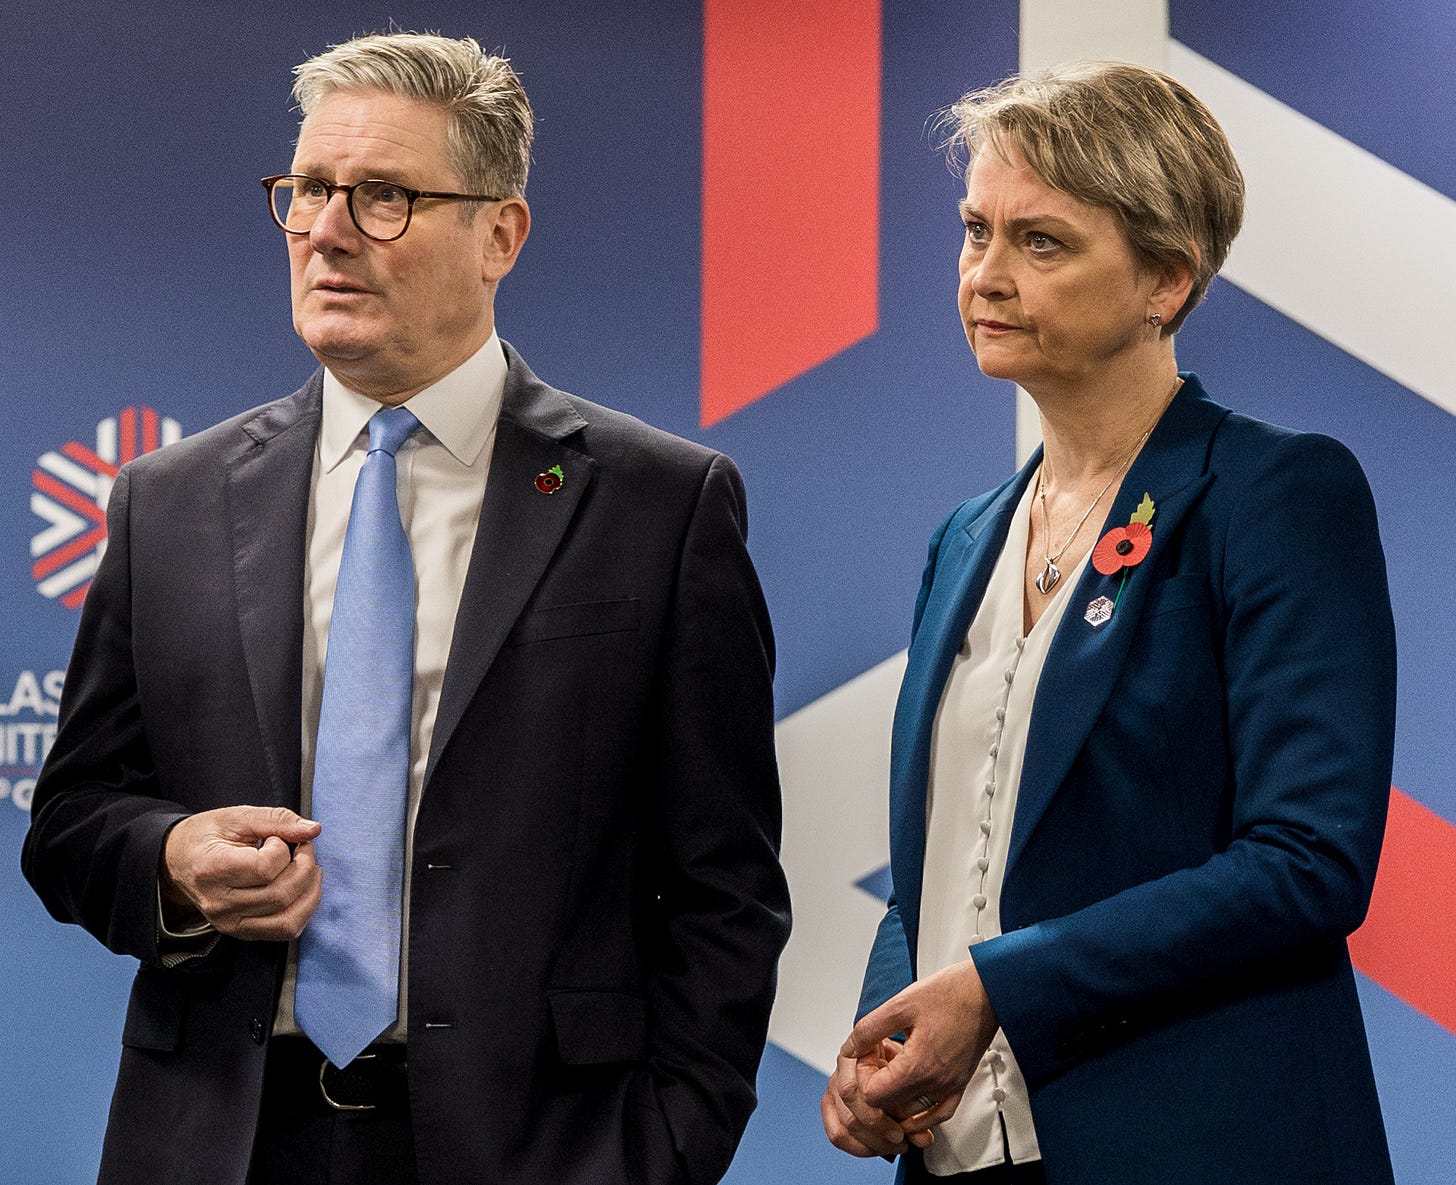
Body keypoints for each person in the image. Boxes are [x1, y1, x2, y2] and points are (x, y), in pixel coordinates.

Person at [22, 31, 789, 1185]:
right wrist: (174, 856)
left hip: (534, 1150)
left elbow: (724, 886)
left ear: (500, 235)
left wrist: (661, 1153)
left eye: (384, 196)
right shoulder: (169, 501)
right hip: (219, 1142)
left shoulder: (657, 505)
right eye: (308, 191)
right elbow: (73, 819)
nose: (327, 229)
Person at [821, 61, 1396, 1185]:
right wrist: (887, 1036)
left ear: (1166, 280)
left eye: (1040, 243)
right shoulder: (965, 536)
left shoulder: (1273, 493)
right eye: (974, 230)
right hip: (964, 1159)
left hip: (1204, 1143)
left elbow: (1305, 862)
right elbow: (944, 862)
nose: (984, 274)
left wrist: (993, 986)